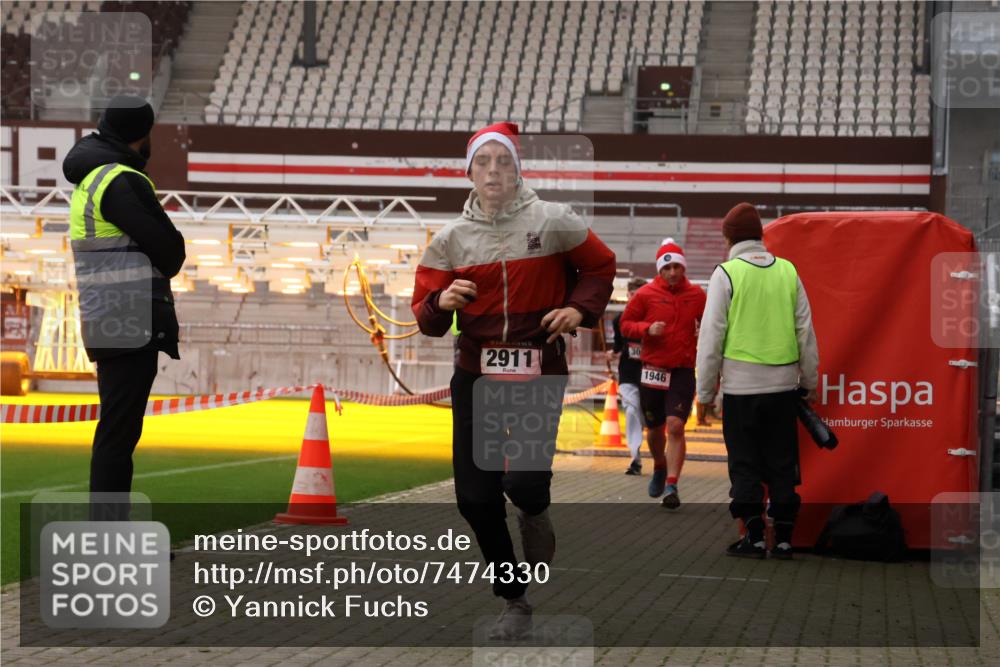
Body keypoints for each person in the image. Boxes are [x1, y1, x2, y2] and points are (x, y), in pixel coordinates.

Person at [412, 122, 615, 639]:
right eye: (482, 163)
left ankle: (534, 511)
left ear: (518, 169)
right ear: (469, 173)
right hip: (475, 377)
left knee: (523, 483)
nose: (493, 172)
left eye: (503, 161)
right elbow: (426, 318)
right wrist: (440, 302)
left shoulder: (554, 220)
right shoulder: (450, 240)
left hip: (537, 371)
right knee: (474, 498)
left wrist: (578, 309)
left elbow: (600, 267)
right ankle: (514, 599)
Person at [63, 96, 186, 515]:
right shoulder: (121, 181)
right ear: (142, 134)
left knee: (117, 430)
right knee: (118, 434)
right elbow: (171, 252)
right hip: (129, 318)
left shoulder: (92, 179)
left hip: (109, 316)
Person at [695, 202, 819, 559]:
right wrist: (809, 382)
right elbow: (805, 333)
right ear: (760, 235)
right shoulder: (788, 272)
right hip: (783, 388)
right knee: (782, 464)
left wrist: (705, 392)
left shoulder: (726, 274)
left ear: (728, 238)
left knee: (745, 464)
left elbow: (711, 338)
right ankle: (784, 538)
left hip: (741, 390)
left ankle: (753, 536)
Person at [620, 239, 706, 509]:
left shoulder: (697, 295)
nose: (672, 272)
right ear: (659, 270)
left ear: (683, 267)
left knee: (676, 425)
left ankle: (672, 484)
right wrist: (646, 329)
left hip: (682, 369)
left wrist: (704, 335)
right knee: (655, 428)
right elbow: (625, 325)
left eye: (677, 267)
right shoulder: (645, 294)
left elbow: (711, 324)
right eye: (667, 268)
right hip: (652, 369)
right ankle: (659, 465)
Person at [608, 278, 647, 475]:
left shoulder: (654, 318)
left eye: (640, 295)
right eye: (633, 295)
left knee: (644, 416)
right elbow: (618, 344)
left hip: (650, 373)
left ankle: (657, 458)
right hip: (628, 373)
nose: (636, 298)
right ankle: (635, 458)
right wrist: (613, 352)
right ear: (628, 296)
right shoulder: (619, 320)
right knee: (631, 411)